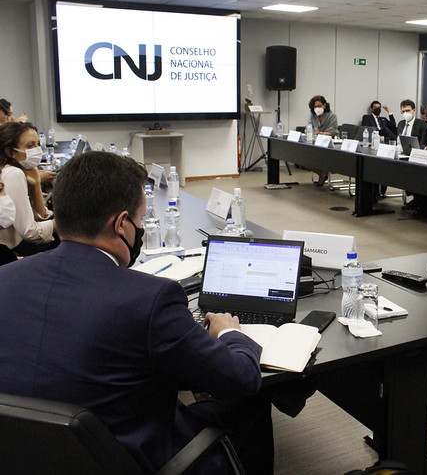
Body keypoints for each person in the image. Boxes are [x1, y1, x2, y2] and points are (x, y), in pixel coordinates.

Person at [0, 151, 278, 474]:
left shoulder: (5, 279)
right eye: (141, 220)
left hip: (27, 455)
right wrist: (230, 333)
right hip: (127, 457)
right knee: (251, 400)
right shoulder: (149, 298)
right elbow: (240, 379)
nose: (141, 229)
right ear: (121, 224)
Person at [0, 122, 57, 255]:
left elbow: (41, 216)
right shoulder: (13, 173)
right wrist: (61, 224)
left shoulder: (17, 170)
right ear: (10, 152)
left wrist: (36, 184)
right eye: (30, 146)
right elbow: (30, 232)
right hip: (10, 253)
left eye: (37, 144)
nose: (37, 150)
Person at [308, 95, 339, 185]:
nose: (317, 108)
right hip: (315, 143)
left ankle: (323, 173)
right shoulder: (312, 116)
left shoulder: (332, 116)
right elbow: (310, 127)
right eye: (315, 107)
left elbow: (333, 132)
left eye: (319, 106)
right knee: (301, 158)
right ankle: (321, 173)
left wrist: (320, 133)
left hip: (328, 144)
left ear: (324, 105)